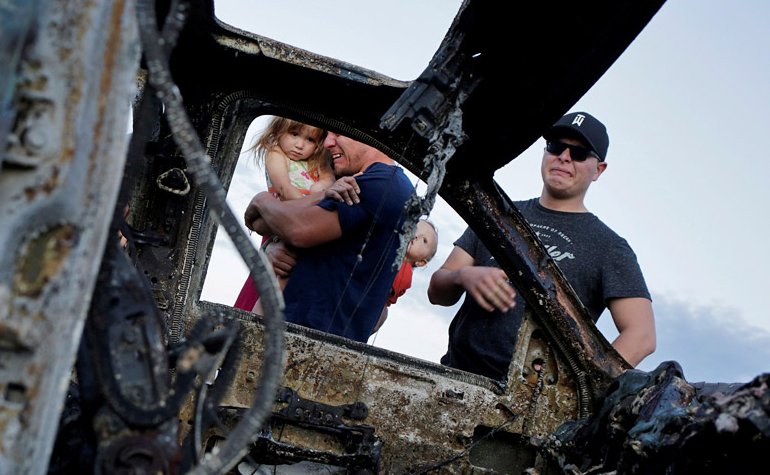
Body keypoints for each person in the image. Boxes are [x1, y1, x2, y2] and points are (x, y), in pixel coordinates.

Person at [427, 111, 656, 379]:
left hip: (530, 409)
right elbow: (437, 292)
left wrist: (573, 385)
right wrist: (463, 276)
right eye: (556, 147)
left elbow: (642, 335)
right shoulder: (495, 212)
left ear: (599, 170)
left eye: (580, 153)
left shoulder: (610, 246)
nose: (564, 157)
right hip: (453, 380)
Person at [243, 131, 415, 342]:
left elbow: (296, 229)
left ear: (372, 135)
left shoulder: (378, 183)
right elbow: (268, 223)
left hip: (306, 344)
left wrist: (261, 200)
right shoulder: (364, 182)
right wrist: (273, 241)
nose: (327, 143)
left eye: (339, 133)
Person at [231, 117, 331, 313]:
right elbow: (284, 188)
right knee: (270, 281)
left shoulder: (318, 162)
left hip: (305, 225)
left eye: (310, 140)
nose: (300, 145)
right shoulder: (277, 153)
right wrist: (309, 208)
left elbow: (328, 180)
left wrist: (322, 186)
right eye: (294, 134)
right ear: (279, 131)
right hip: (284, 222)